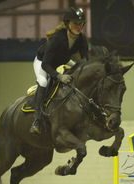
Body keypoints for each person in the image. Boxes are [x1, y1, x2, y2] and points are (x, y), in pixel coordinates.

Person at [30, 6, 89, 135]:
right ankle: (37, 120)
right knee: (44, 82)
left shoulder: (82, 39)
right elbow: (46, 64)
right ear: (67, 23)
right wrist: (58, 76)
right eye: (75, 23)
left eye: (81, 24)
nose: (79, 27)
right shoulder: (57, 39)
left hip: (63, 60)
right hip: (42, 62)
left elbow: (86, 61)